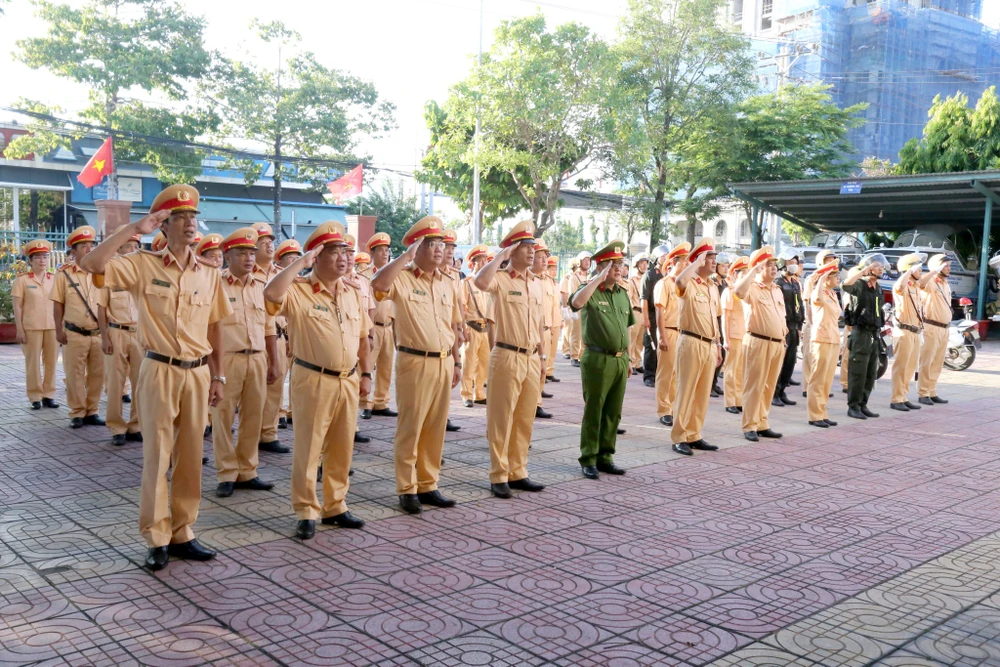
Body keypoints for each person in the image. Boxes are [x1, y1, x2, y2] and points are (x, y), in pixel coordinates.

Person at [79, 184, 232, 571]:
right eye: (179, 218)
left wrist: (219, 376)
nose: (189, 224)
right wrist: (134, 229)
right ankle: (156, 535)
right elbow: (93, 265)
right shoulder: (142, 263)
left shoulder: (210, 273)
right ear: (163, 226)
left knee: (191, 456)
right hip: (159, 369)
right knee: (157, 455)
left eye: (192, 216)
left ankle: (183, 531)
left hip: (198, 373)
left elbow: (215, 327)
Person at [264, 222, 372, 539]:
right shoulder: (297, 291)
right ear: (317, 256)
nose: (343, 259)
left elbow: (364, 338)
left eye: (346, 252)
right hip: (313, 378)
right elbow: (270, 293)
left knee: (341, 448)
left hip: (348, 380)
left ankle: (335, 506)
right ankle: (306, 510)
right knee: (309, 447)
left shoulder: (352, 292)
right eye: (335, 252)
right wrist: (300, 262)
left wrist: (366, 374)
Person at [370, 216, 462, 515]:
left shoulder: (449, 281)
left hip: (444, 361)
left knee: (436, 427)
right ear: (417, 248)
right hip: (414, 360)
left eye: (441, 245)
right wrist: (405, 257)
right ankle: (407, 488)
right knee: (411, 427)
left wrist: (457, 361)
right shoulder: (403, 277)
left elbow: (453, 326)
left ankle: (428, 483)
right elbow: (378, 284)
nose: (439, 250)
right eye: (431, 244)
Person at [474, 221, 547, 497]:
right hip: (506, 353)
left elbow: (538, 323)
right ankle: (498, 474)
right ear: (513, 250)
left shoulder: (536, 284)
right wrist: (500, 256)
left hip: (530, 357)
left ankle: (518, 471)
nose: (531, 253)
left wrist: (541, 357)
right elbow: (481, 282)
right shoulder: (502, 280)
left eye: (533, 248)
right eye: (525, 247)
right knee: (501, 418)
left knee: (524, 417)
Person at [210, 228, 276, 499]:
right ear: (228, 255)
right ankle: (226, 472)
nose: (249, 258)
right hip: (227, 359)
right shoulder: (216, 284)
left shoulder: (262, 287)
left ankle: (248, 470)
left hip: (258, 359)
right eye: (242, 253)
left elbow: (270, 327)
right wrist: (215, 371)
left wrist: (274, 362)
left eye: (251, 252)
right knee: (222, 417)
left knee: (253, 416)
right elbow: (209, 327)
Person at [570, 241, 632, 479]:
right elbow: (576, 303)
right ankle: (588, 458)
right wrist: (597, 278)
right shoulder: (591, 290)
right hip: (597, 358)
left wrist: (628, 359)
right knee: (594, 410)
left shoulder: (622, 293)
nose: (619, 269)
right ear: (601, 266)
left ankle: (606, 456)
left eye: (620, 264)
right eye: (614, 265)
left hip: (619, 360)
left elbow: (626, 328)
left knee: (613, 412)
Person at [670, 238, 722, 457]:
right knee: (686, 390)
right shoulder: (690, 283)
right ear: (699, 261)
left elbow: (714, 319)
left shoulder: (713, 287)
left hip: (709, 344)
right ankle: (679, 436)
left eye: (713, 258)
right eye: (709, 258)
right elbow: (679, 282)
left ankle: (694, 433)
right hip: (690, 341)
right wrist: (694, 262)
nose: (713, 262)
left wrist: (718, 344)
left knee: (702, 393)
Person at [51, 226, 105, 429]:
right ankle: (77, 412)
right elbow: (58, 304)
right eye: (84, 246)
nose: (89, 248)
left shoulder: (100, 272)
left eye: (91, 245)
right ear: (73, 251)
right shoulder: (64, 275)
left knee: (97, 375)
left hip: (98, 333)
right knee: (74, 374)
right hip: (75, 332)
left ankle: (92, 410)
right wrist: (58, 329)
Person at [734, 246, 787, 442]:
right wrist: (752, 272)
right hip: (758, 341)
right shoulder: (753, 287)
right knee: (754, 385)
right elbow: (738, 292)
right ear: (758, 268)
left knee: (768, 386)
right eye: (769, 265)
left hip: (777, 344)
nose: (774, 269)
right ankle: (749, 425)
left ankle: (762, 422)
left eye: (775, 265)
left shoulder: (777, 290)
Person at [97, 233, 143, 446]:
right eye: (127, 246)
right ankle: (116, 427)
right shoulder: (110, 275)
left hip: (140, 334)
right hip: (116, 332)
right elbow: (101, 308)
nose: (132, 249)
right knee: (115, 383)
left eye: (135, 245)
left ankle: (136, 425)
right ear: (119, 250)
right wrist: (104, 336)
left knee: (140, 383)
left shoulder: (144, 275)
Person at [253, 223, 289, 454]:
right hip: (254, 339)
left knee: (275, 387)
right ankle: (253, 433)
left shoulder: (280, 275)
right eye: (263, 242)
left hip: (279, 337)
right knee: (254, 392)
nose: (269, 245)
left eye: (270, 242)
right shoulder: (245, 272)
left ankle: (269, 433)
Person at [12, 239, 58, 410]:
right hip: (31, 327)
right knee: (33, 363)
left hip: (52, 326)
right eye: (37, 257)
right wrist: (19, 329)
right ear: (30, 261)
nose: (42, 260)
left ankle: (49, 395)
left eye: (45, 256)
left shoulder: (54, 278)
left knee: (52, 362)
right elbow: (17, 306)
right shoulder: (22, 280)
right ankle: (35, 396)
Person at [841, 253, 888, 420]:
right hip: (861, 333)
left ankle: (863, 404)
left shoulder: (878, 287)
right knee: (858, 373)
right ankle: (853, 406)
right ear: (868, 268)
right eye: (876, 265)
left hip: (874, 333)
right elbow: (846, 285)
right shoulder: (860, 284)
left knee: (870, 372)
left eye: (881, 265)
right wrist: (862, 272)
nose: (881, 268)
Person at [360, 232, 398, 420]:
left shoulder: (394, 274)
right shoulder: (364, 275)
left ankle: (381, 402)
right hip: (371, 326)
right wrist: (368, 333)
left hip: (389, 326)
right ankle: (365, 403)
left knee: (386, 366)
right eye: (381, 250)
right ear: (372, 253)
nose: (385, 254)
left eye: (387, 250)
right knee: (367, 364)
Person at [653, 243, 690, 427]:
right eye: (684, 261)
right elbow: (660, 312)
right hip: (669, 331)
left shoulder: (685, 285)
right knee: (666, 373)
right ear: (673, 263)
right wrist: (662, 337)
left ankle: (675, 408)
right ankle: (664, 410)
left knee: (678, 374)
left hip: (683, 333)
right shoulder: (664, 284)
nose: (687, 264)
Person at [343, 234, 375, 445]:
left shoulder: (362, 282)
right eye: (342, 252)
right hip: (341, 341)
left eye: (350, 252)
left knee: (356, 384)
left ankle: (351, 427)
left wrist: (370, 335)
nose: (346, 257)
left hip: (360, 338)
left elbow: (370, 308)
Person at [806, 259, 842, 428]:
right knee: (818, 378)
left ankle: (822, 412)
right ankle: (814, 415)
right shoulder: (817, 292)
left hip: (833, 338)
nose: (838, 278)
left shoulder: (833, 294)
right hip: (821, 339)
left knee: (827, 380)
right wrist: (820, 279)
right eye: (835, 275)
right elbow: (817, 298)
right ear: (827, 278)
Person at [889, 252, 926, 412]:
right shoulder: (901, 285)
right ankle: (896, 398)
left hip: (915, 332)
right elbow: (899, 287)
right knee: (901, 367)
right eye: (918, 268)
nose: (921, 271)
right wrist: (908, 272)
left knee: (910, 367)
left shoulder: (916, 286)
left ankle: (903, 396)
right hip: (903, 331)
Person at [274, 238, 302, 427]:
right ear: (281, 261)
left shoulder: (302, 283)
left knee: (298, 378)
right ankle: (278, 414)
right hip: (278, 335)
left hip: (296, 335)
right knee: (277, 379)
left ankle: (292, 412)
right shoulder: (277, 281)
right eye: (290, 258)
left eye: (296, 258)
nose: (294, 262)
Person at [917, 253, 953, 405]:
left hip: (944, 329)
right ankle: (923, 393)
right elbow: (920, 283)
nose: (949, 269)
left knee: (938, 361)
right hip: (931, 327)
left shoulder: (945, 283)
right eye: (946, 266)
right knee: (927, 361)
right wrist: (933, 270)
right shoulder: (931, 281)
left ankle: (932, 391)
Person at [800, 250, 836, 398]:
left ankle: (821, 386)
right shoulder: (812, 279)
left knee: (823, 360)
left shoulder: (830, 279)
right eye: (829, 261)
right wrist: (810, 322)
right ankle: (807, 385)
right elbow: (807, 302)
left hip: (826, 325)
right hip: (812, 323)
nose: (831, 264)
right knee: (810, 355)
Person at [460, 244, 490, 408]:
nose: (485, 262)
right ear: (474, 263)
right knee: (469, 363)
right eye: (481, 260)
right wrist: (464, 330)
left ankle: (479, 393)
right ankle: (466, 394)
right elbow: (462, 307)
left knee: (484, 363)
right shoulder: (467, 283)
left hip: (486, 328)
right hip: (471, 327)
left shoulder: (488, 283)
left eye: (485, 259)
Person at [774, 249, 804, 407]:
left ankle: (782, 390)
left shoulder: (795, 283)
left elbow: (800, 306)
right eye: (790, 263)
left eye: (795, 263)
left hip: (794, 327)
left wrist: (800, 325)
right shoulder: (778, 283)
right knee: (780, 361)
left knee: (790, 362)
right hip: (783, 327)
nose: (793, 266)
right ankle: (774, 392)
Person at [721, 256, 749, 416]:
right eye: (742, 272)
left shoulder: (746, 292)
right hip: (733, 334)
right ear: (735, 274)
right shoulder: (729, 292)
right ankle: (730, 401)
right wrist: (726, 338)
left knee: (741, 369)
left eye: (747, 272)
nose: (745, 275)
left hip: (744, 334)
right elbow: (725, 316)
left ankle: (739, 400)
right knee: (731, 369)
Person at [641, 244, 671, 387]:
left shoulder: (670, 274)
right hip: (653, 313)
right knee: (651, 345)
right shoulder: (650, 275)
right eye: (663, 255)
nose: (666, 258)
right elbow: (644, 298)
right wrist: (646, 318)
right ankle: (649, 375)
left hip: (666, 315)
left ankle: (660, 373)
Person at [531, 239, 555, 418]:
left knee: (542, 368)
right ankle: (531, 401)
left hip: (546, 329)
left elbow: (552, 306)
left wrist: (553, 326)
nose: (544, 261)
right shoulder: (528, 279)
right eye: (540, 257)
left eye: (545, 257)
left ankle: (537, 402)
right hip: (532, 332)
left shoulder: (549, 281)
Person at [561, 251, 591, 367]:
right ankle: (574, 356)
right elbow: (572, 293)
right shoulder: (573, 277)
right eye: (585, 260)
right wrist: (573, 310)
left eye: (589, 260)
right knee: (576, 333)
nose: (587, 262)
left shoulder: (590, 276)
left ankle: (582, 356)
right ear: (579, 262)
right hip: (578, 308)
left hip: (588, 309)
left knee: (585, 334)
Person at [710, 253, 731, 398]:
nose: (726, 269)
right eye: (723, 266)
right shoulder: (712, 283)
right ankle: (708, 384)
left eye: (727, 266)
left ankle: (714, 381)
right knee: (714, 355)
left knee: (721, 354)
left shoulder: (725, 284)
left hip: (723, 320)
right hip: (714, 321)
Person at [627, 254, 648, 374]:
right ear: (637, 265)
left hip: (643, 311)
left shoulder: (646, 278)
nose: (645, 265)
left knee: (641, 339)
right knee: (632, 338)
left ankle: (638, 362)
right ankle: (631, 362)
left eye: (646, 263)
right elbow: (629, 297)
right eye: (642, 263)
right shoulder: (632, 280)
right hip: (635, 310)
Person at [545, 255, 562, 383]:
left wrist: (560, 320)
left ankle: (549, 371)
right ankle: (543, 371)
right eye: (551, 269)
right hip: (547, 321)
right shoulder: (543, 282)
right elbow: (546, 305)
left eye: (555, 269)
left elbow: (557, 304)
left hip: (556, 321)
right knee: (545, 349)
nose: (554, 272)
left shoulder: (556, 284)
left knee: (553, 349)